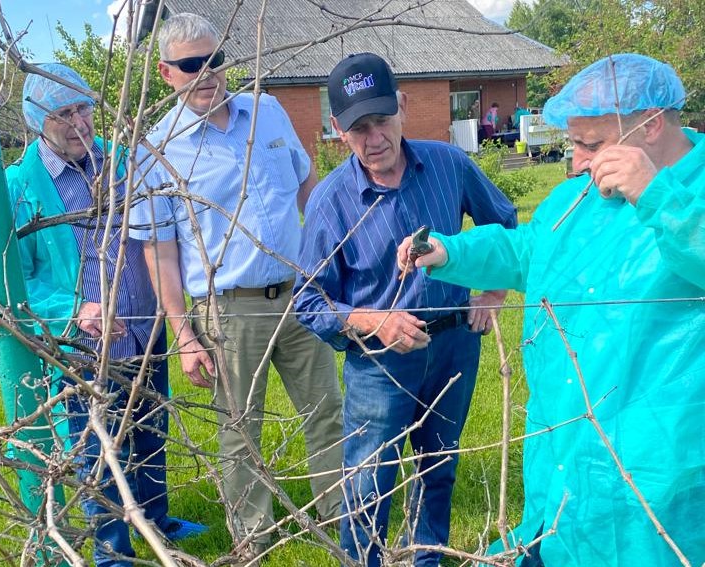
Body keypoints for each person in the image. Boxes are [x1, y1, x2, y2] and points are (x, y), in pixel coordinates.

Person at [397, 53, 705, 566]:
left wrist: (657, 196)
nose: (578, 162)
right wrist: (450, 252)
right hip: (566, 441)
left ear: (651, 125)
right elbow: (529, 250)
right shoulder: (576, 198)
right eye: (574, 144)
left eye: (593, 145)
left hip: (658, 460)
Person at [128, 12, 343, 559]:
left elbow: (308, 186)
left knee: (326, 410)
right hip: (228, 311)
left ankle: (342, 517)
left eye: (215, 59)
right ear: (165, 73)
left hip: (300, 296)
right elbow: (160, 252)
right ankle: (254, 538)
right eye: (191, 65)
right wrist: (184, 334)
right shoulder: (156, 150)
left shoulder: (267, 111)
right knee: (240, 431)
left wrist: (328, 264)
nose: (207, 74)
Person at [294, 52, 517, 567]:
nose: (374, 138)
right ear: (338, 129)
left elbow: (505, 226)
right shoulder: (330, 201)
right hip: (379, 361)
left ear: (403, 106)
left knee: (438, 467)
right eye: (359, 128)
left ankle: (426, 558)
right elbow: (309, 300)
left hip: (454, 344)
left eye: (382, 120)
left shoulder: (448, 165)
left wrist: (493, 292)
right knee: (368, 480)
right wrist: (375, 321)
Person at [6, 63, 205, 566]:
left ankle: (157, 519)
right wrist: (74, 310)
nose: (79, 123)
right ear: (37, 122)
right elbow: (14, 280)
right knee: (99, 448)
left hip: (144, 330)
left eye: (84, 108)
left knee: (150, 429)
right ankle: (112, 551)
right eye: (63, 114)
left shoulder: (123, 162)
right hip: (84, 346)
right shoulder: (19, 186)